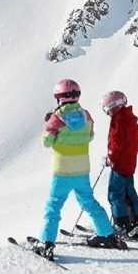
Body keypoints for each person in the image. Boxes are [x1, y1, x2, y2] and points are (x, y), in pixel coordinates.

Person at [34, 79, 123, 257]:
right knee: (88, 202)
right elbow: (89, 137)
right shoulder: (86, 115)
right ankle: (106, 234)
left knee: (54, 205)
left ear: (59, 98)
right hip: (82, 169)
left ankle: (46, 241)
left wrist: (50, 124)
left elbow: (46, 142)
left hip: (62, 171)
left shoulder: (56, 118)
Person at [101, 90, 138, 240]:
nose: (107, 114)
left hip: (119, 165)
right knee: (129, 194)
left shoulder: (118, 121)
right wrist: (134, 148)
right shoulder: (130, 118)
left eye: (107, 110)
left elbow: (115, 143)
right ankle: (137, 222)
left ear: (113, 107)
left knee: (115, 195)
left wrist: (109, 157)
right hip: (130, 164)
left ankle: (121, 225)